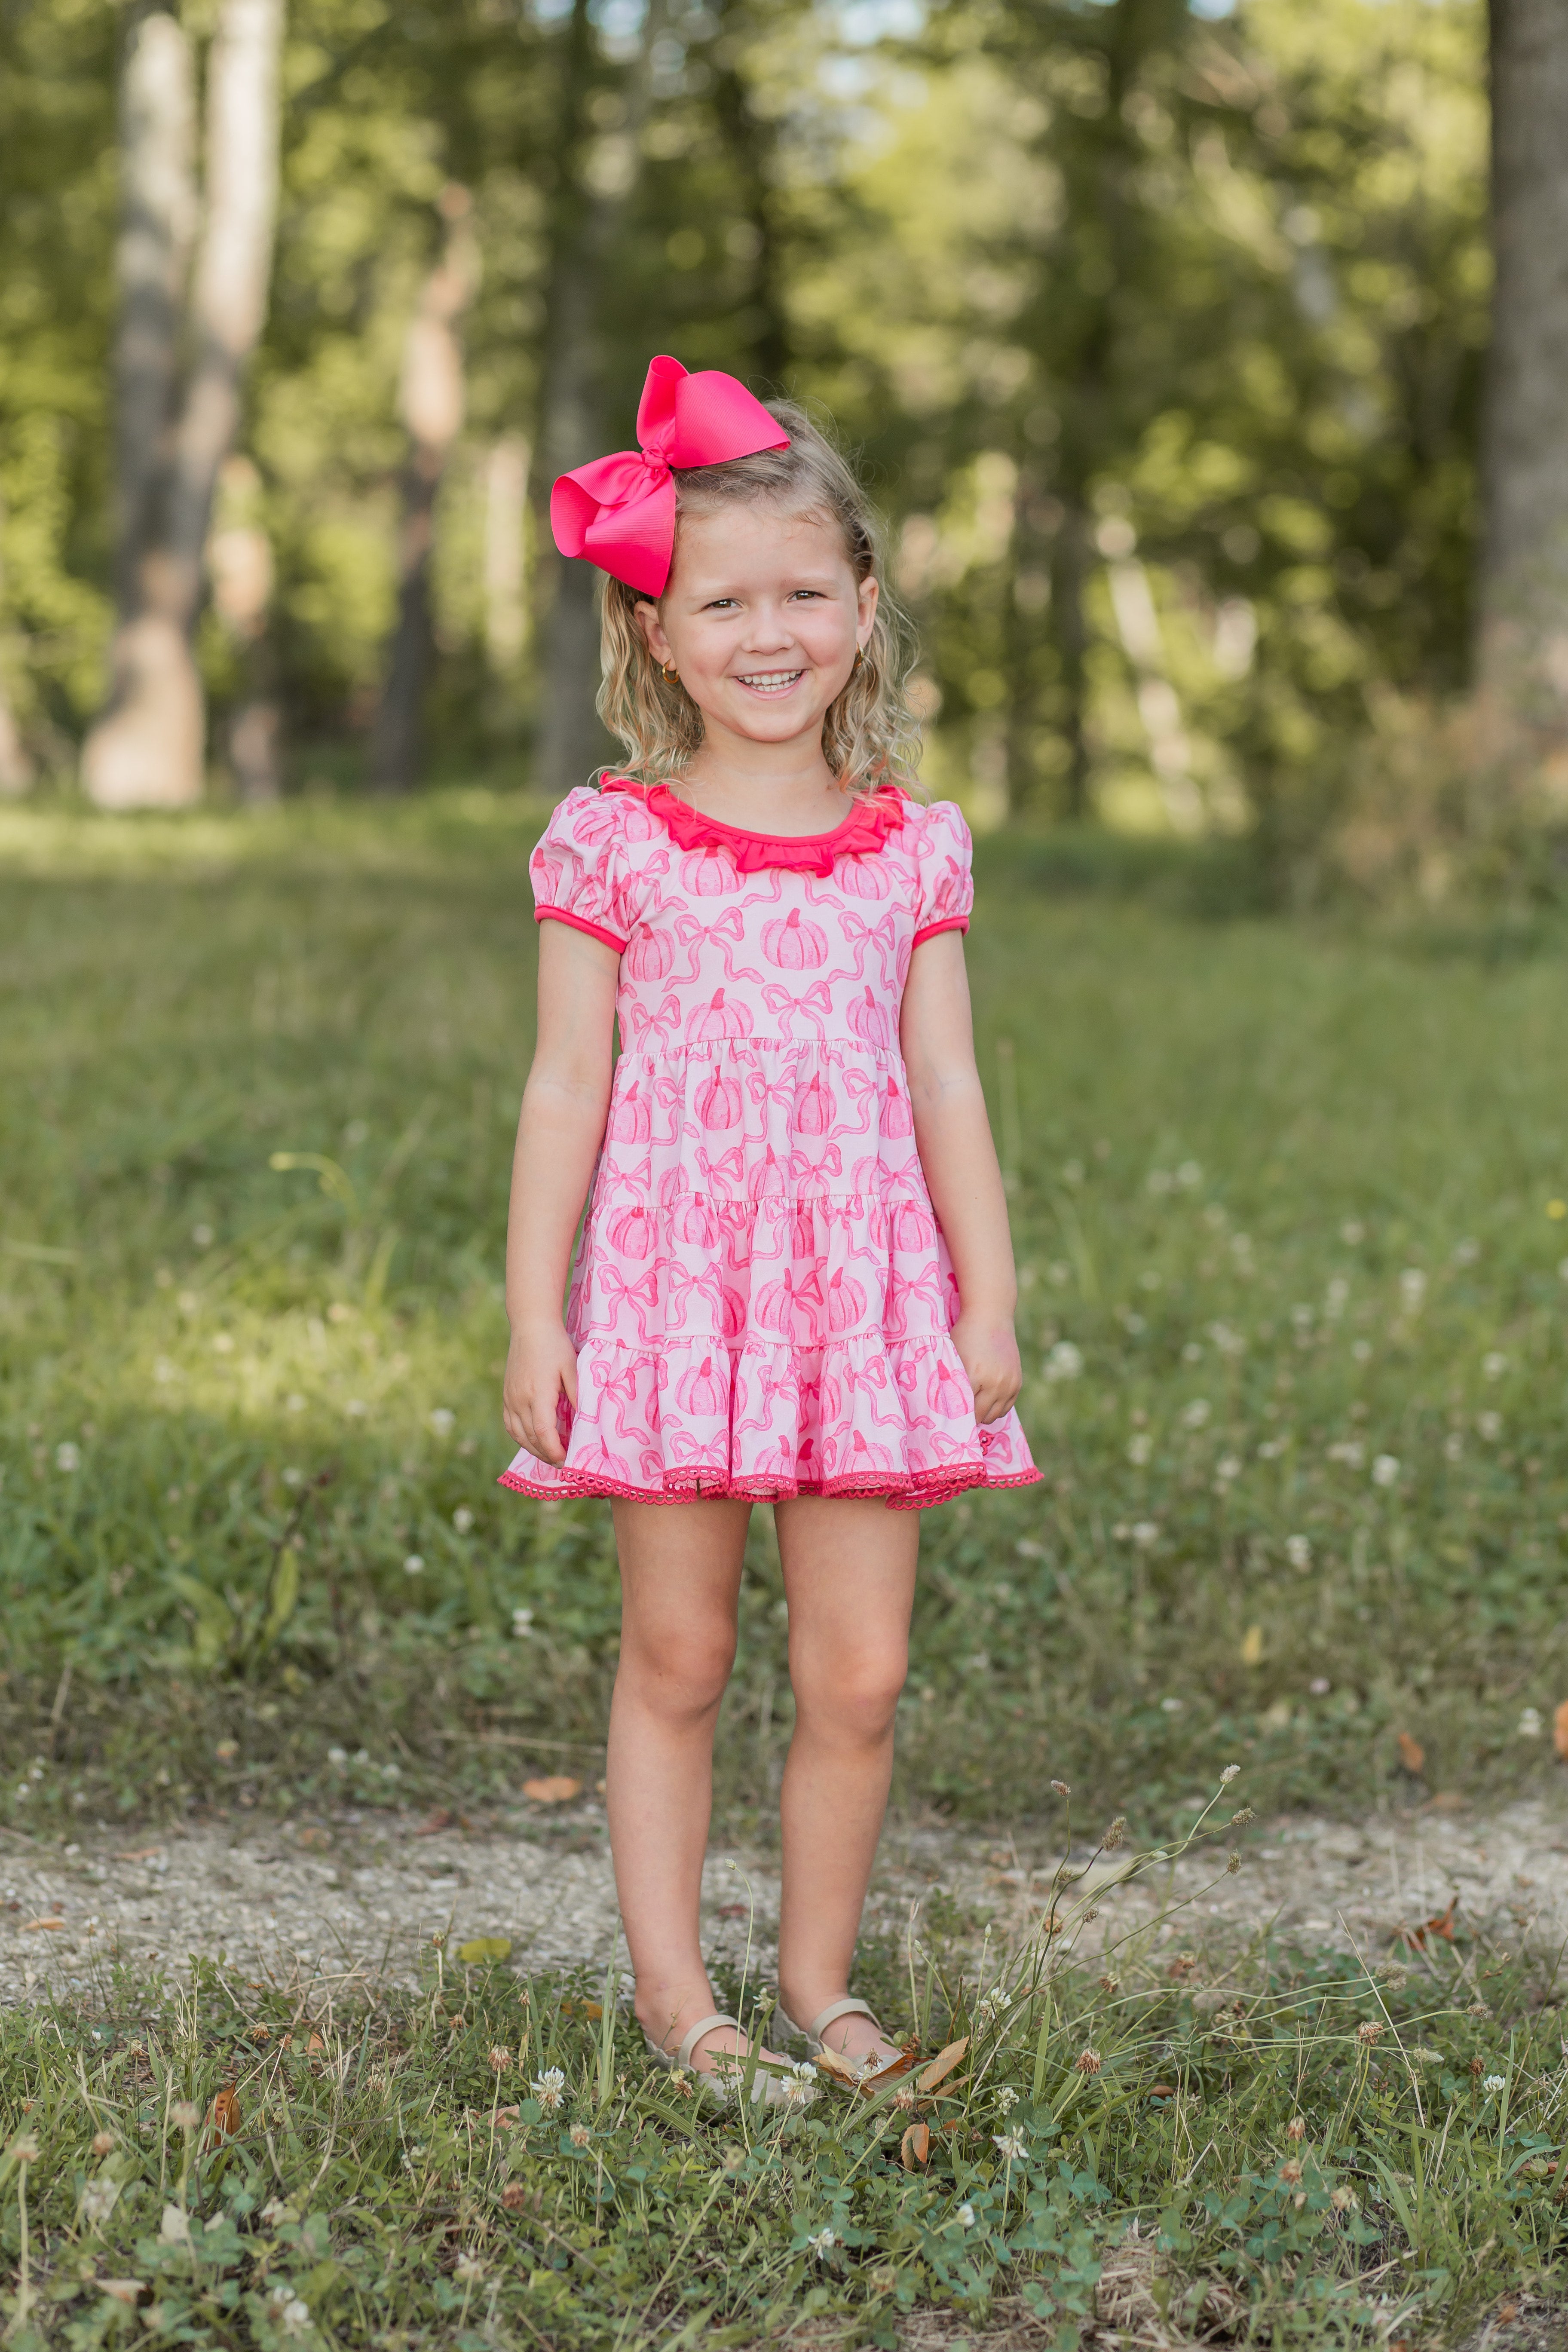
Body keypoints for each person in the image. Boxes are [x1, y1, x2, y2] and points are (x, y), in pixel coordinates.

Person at [499, 355, 1039, 2098]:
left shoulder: (911, 851)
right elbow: (563, 1088)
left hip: (865, 1305)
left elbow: (947, 1084)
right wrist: (536, 1313)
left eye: (807, 591)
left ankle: (822, 1987)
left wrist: (988, 1293)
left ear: (865, 608)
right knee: (679, 1651)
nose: (768, 630)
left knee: (860, 1672)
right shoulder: (616, 844)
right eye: (722, 599)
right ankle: (682, 2005)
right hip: (671, 1297)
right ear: (658, 630)